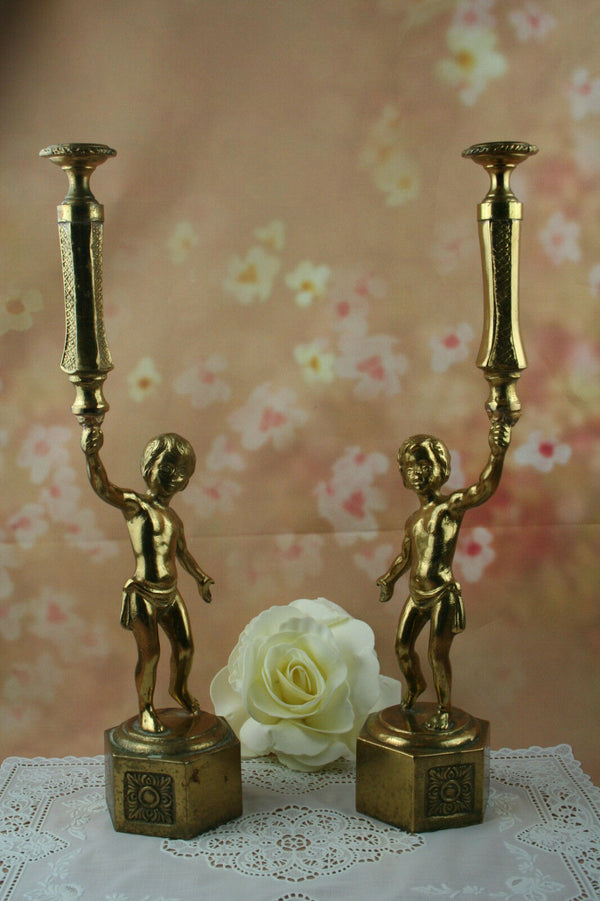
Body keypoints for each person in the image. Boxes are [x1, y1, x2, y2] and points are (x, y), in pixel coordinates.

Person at [377, 420, 511, 731]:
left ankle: (443, 710)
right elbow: (406, 557)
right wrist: (388, 579)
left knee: (437, 654)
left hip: (441, 596)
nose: (417, 472)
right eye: (410, 466)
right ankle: (415, 685)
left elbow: (483, 489)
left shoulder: (449, 507)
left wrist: (497, 453)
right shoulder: (413, 519)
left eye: (424, 464)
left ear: (441, 468)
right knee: (401, 646)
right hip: (416, 594)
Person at [83, 427, 214, 733]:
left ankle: (178, 689)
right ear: (148, 466)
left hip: (170, 593)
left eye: (181, 472)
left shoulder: (174, 519)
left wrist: (201, 579)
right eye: (166, 467)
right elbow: (103, 487)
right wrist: (92, 455)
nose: (173, 477)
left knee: (186, 648)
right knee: (151, 654)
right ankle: (146, 709)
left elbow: (183, 554)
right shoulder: (135, 505)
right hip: (143, 593)